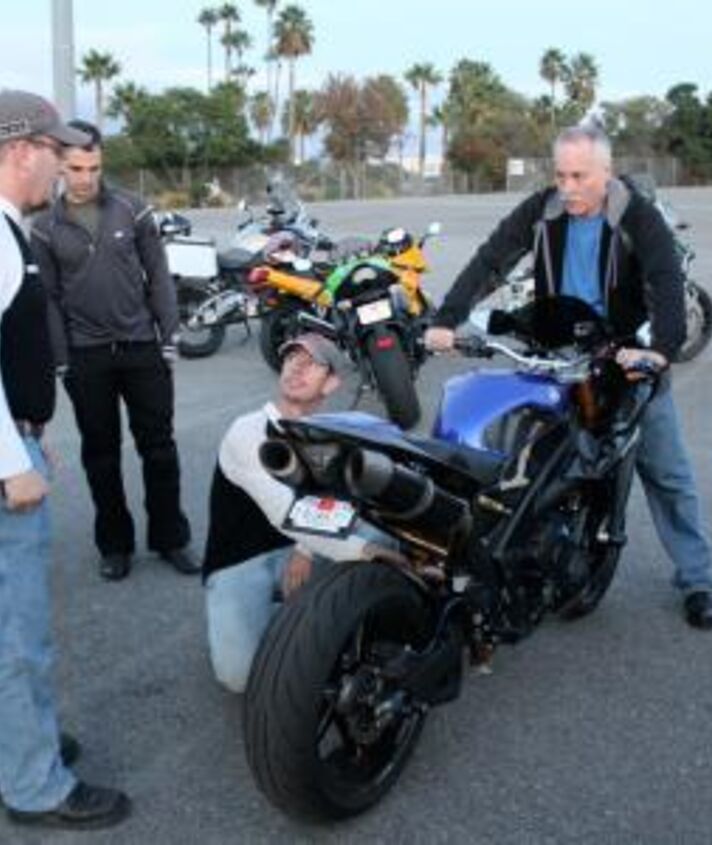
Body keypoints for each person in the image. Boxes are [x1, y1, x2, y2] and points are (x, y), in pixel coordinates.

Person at [425, 123, 712, 630]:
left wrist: (660, 350)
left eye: (580, 176)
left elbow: (666, 281)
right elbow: (490, 260)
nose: (568, 187)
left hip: (626, 358)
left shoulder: (636, 216)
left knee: (667, 473)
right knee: (522, 457)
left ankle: (699, 580)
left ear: (606, 171)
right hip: (558, 352)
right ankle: (514, 560)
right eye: (560, 175)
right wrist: (447, 319)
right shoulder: (542, 210)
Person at [0, 89, 130, 829]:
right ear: (22, 151)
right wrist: (8, 458)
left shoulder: (8, 227)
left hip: (13, 436)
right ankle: (34, 784)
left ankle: (25, 742)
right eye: (57, 151)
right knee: (18, 636)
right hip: (2, 466)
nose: (65, 166)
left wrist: (26, 423)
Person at [31, 120, 198, 581]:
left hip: (142, 347)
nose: (85, 178)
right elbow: (48, 298)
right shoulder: (44, 228)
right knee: (101, 455)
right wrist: (62, 359)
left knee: (159, 449)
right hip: (86, 356)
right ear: (60, 166)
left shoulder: (133, 209)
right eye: (76, 168)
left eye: (94, 168)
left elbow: (158, 274)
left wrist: (168, 335)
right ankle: (114, 545)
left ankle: (170, 538)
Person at [203, 333, 406, 693]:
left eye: (311, 363)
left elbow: (335, 501)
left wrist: (305, 550)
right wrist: (364, 552)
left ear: (330, 383)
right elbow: (286, 511)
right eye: (291, 358)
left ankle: (331, 618)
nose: (296, 368)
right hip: (240, 561)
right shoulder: (246, 431)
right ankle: (290, 619)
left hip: (294, 549)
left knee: (379, 530)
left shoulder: (326, 433)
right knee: (241, 678)